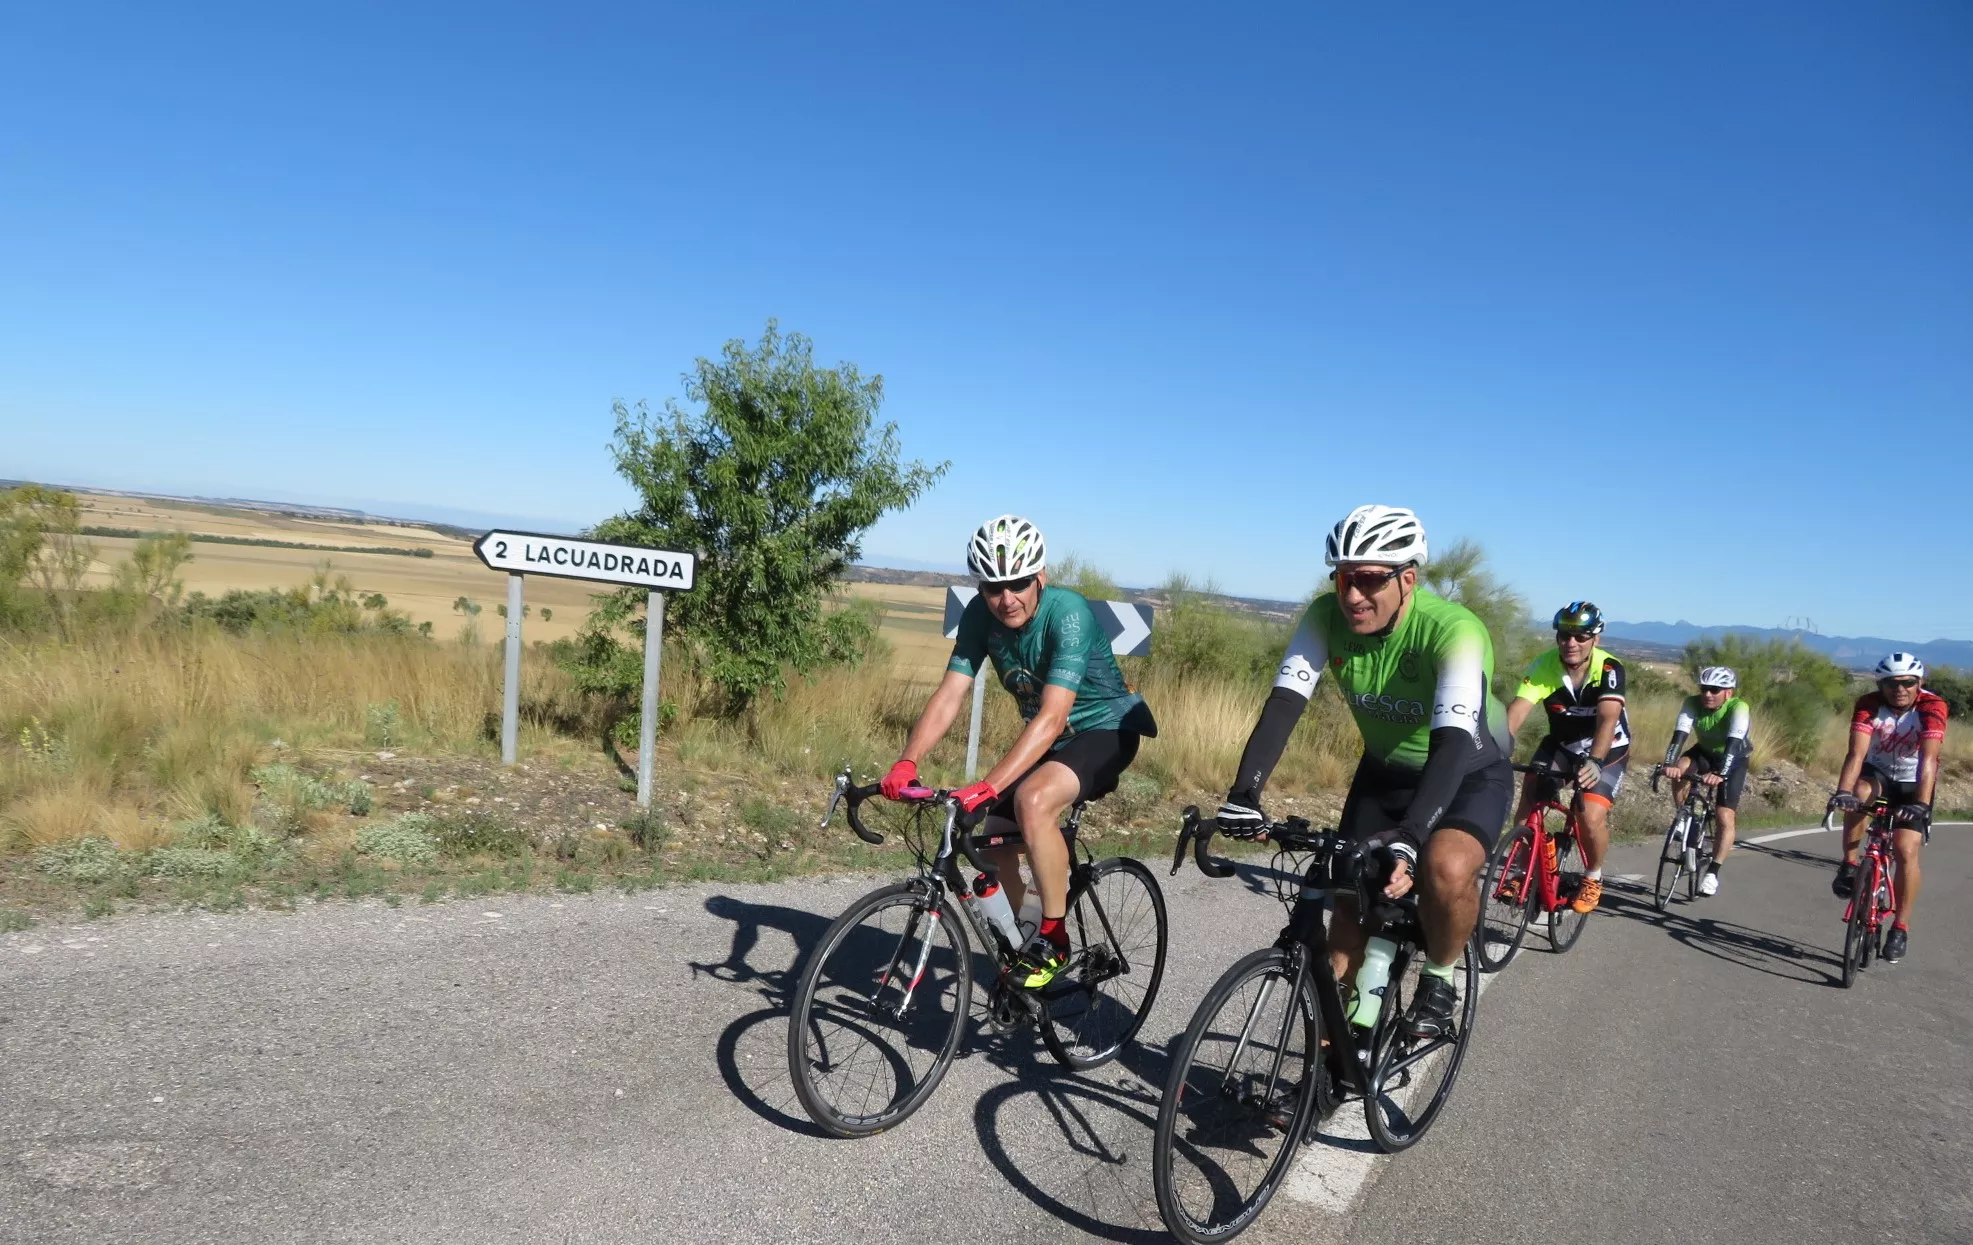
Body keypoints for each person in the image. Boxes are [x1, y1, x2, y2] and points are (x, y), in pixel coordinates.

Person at [1216, 504, 1511, 1039]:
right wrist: (1244, 793)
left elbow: (1450, 745)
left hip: (1467, 773)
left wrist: (1412, 838)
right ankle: (1331, 1068)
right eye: (1343, 578)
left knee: (1443, 869)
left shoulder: (1454, 631)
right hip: (1384, 774)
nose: (1352, 594)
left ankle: (1441, 976)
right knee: (1348, 912)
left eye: (1370, 580)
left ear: (1408, 580)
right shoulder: (1326, 616)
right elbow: (1284, 703)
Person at [882, 515, 1156, 989]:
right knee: (995, 836)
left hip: (1106, 730)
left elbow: (1052, 717)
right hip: (1051, 738)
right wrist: (907, 761)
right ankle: (1025, 939)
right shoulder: (978, 615)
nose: (1006, 598)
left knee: (1032, 800)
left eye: (1019, 583)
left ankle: (1054, 936)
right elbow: (950, 694)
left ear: (1040, 578)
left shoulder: (1068, 612)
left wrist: (988, 784)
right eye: (993, 587)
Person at [1503, 601, 1630, 915]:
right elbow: (1518, 711)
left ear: (1595, 639)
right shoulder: (1544, 665)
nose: (1570, 643)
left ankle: (1592, 876)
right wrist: (1496, 748)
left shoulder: (1609, 668)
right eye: (1564, 635)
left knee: (1589, 816)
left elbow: (1607, 719)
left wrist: (1596, 761)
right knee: (1530, 793)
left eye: (1581, 636)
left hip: (1608, 748)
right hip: (1562, 745)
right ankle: (1521, 871)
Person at [1829, 652, 1946, 963]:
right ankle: (1850, 863)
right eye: (1891, 683)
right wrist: (1842, 791)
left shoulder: (1932, 707)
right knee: (1859, 793)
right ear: (1880, 684)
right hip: (1878, 772)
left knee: (1906, 849)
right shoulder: (1868, 704)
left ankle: (1900, 928)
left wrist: (1921, 803)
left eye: (1908, 682)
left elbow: (1929, 760)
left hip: (1913, 782)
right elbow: (1856, 754)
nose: (1900, 688)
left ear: (1919, 683)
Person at [1658, 667, 1750, 896]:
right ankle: (1683, 815)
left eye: (1714, 690)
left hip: (1734, 757)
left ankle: (1713, 872)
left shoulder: (1738, 707)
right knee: (1679, 768)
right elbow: (1679, 735)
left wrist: (1721, 774)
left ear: (1728, 692)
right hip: (1704, 752)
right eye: (1704, 689)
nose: (1707, 694)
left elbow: (1734, 744)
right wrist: (1669, 764)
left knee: (1724, 816)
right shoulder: (1692, 703)